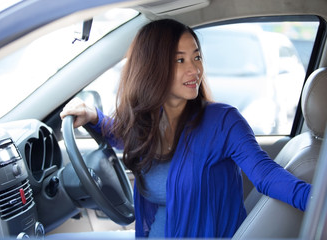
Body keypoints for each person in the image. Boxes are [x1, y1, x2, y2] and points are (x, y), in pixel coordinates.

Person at [60, 19, 311, 238]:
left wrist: (317, 200)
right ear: (152, 67)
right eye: (180, 60)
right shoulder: (148, 121)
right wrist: (94, 117)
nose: (195, 69)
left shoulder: (224, 121)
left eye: (196, 57)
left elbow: (266, 175)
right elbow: (126, 137)